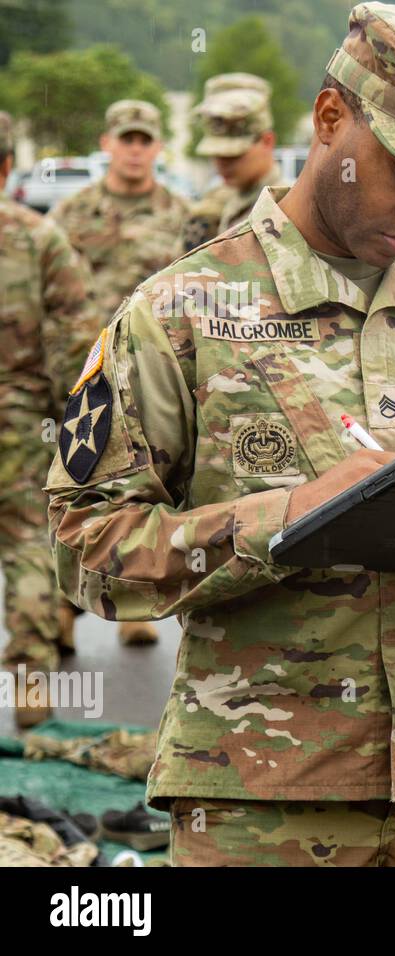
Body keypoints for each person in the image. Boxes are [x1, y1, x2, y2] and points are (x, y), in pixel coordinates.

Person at [46, 2, 395, 867]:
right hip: (263, 798)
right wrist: (283, 519)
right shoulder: (181, 313)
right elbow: (85, 550)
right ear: (330, 118)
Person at [51, 98, 190, 648]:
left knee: (150, 490)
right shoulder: (71, 215)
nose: (134, 150)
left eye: (144, 140)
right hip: (86, 376)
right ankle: (62, 612)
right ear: (107, 145)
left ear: (157, 147)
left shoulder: (182, 215)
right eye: (125, 139)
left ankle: (135, 607)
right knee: (74, 497)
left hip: (153, 380)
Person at [0, 111, 102, 727]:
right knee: (25, 546)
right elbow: (73, 346)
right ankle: (31, 685)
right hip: (19, 418)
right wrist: (74, 428)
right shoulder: (38, 238)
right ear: (9, 165)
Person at [181, 73, 284, 251]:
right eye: (216, 153)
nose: (222, 164)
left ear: (267, 141)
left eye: (234, 155)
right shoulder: (211, 204)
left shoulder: (288, 205)